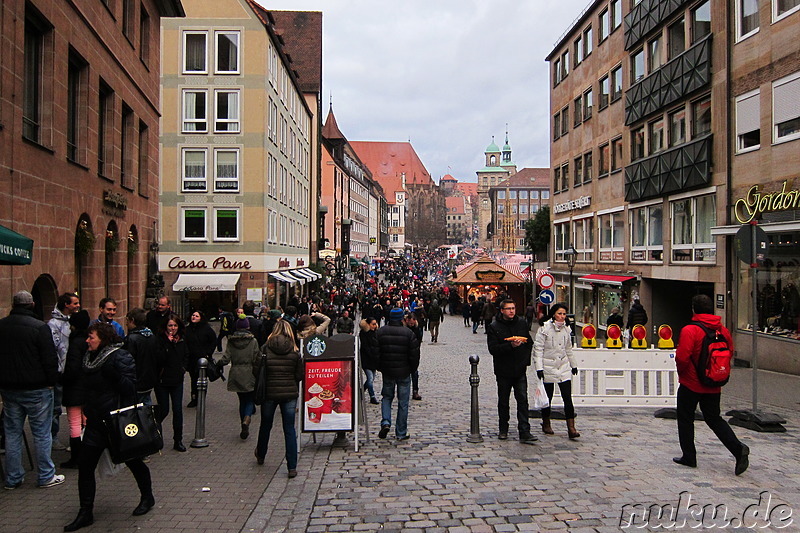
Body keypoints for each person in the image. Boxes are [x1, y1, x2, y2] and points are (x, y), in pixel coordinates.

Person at [63, 322, 154, 531]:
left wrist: (116, 377)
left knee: (134, 462)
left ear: (102, 338)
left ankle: (147, 497)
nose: (87, 340)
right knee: (85, 466)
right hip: (96, 423)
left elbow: (131, 388)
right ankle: (85, 512)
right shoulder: (89, 359)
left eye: (91, 337)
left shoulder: (119, 356)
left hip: (117, 422)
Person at [673, 294, 749, 475]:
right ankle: (738, 449)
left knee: (685, 418)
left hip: (691, 383)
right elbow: (729, 352)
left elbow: (682, 357)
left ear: (694, 309)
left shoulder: (690, 330)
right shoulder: (723, 330)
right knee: (714, 418)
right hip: (714, 383)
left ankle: (689, 456)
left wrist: (684, 374)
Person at [0, 291, 64, 489]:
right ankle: (45, 475)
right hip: (37, 388)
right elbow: (49, 358)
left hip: (9, 388)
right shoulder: (39, 328)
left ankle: (13, 477)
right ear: (32, 304)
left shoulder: (2, 325)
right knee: (41, 432)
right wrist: (52, 382)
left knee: (12, 433)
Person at [255, 320, 303, 478]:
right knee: (289, 429)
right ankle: (292, 466)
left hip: (269, 392)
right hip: (289, 393)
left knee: (265, 425)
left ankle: (261, 454)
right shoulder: (294, 350)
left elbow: (256, 369)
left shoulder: (265, 348)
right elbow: (299, 375)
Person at [486, 299, 537, 444]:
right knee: (503, 401)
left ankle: (525, 431)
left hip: (520, 369)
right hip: (503, 369)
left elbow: (529, 343)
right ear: (502, 310)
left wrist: (525, 361)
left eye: (513, 308)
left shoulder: (521, 323)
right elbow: (493, 349)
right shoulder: (494, 326)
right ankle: (503, 429)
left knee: (523, 400)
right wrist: (510, 346)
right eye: (508, 309)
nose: (511, 311)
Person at [534, 303, 580, 438]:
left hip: (563, 367)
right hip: (548, 367)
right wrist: (539, 368)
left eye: (564, 314)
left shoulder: (567, 329)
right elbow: (538, 350)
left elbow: (568, 348)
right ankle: (546, 422)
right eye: (559, 313)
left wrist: (573, 364)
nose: (562, 316)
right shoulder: (544, 329)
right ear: (554, 314)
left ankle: (571, 428)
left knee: (567, 398)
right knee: (547, 398)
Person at [376, 308, 420, 440]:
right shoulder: (408, 333)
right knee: (403, 402)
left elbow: (376, 352)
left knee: (387, 397)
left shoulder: (381, 332)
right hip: (404, 371)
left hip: (388, 371)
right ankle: (401, 432)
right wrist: (412, 369)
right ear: (402, 319)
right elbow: (414, 355)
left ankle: (386, 422)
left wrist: (381, 367)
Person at [218, 316, 260, 440]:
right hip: (250, 372)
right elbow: (256, 358)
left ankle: (243, 421)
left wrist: (217, 364)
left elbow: (225, 358)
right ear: (248, 327)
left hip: (236, 372)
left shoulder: (231, 341)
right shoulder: (253, 341)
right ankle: (247, 418)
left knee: (241, 400)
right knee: (249, 399)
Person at [48, 292, 81, 451]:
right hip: (58, 372)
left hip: (68, 371)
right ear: (66, 304)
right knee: (55, 407)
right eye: (75, 303)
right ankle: (52, 438)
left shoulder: (70, 322)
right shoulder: (53, 324)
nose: (77, 306)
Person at [59, 309, 90, 469]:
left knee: (75, 423)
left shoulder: (75, 342)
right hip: (88, 388)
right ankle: (88, 452)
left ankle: (77, 457)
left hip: (75, 389)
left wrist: (62, 379)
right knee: (86, 420)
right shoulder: (90, 340)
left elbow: (72, 368)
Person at [154, 313, 188, 452]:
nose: (172, 328)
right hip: (162, 380)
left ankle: (178, 440)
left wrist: (183, 368)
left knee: (178, 410)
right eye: (170, 325)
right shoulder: (160, 340)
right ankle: (155, 435)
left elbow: (186, 355)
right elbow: (160, 358)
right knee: (164, 410)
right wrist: (168, 343)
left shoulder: (181, 340)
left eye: (174, 325)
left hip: (177, 379)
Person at [123, 308, 159, 407]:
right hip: (149, 380)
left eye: (127, 321)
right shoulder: (151, 336)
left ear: (132, 320)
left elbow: (128, 362)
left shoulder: (131, 339)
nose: (126, 324)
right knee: (146, 407)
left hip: (136, 381)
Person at [184, 310, 217, 408]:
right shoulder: (187, 329)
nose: (194, 317)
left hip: (203, 359)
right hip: (191, 359)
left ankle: (201, 398)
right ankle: (194, 398)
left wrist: (208, 353)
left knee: (202, 379)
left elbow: (213, 341)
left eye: (196, 316)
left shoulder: (206, 329)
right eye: (193, 315)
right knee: (193, 379)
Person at [359, 317, 380, 404]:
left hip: (374, 360)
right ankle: (372, 397)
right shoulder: (364, 333)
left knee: (370, 380)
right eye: (373, 324)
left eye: (375, 324)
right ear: (368, 324)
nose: (375, 326)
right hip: (367, 359)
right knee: (370, 379)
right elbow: (365, 347)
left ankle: (361, 392)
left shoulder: (376, 333)